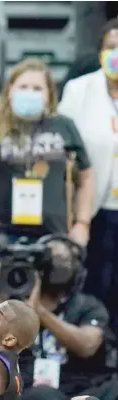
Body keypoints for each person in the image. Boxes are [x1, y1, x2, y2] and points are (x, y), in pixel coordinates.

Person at [0, 57, 94, 311]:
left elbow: (85, 175)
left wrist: (82, 223)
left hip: (52, 239)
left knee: (47, 318)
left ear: (49, 94)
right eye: (24, 87)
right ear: (10, 90)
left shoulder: (64, 126)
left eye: (37, 88)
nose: (30, 93)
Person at [0, 241, 118, 400]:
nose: (61, 266)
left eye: (65, 260)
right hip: (31, 391)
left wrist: (40, 313)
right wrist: (2, 287)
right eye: (56, 259)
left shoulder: (87, 305)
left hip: (80, 388)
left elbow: (87, 346)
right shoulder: (14, 305)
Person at [58, 17, 118, 337]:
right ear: (99, 52)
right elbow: (65, 152)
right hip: (91, 209)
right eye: (111, 47)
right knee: (93, 281)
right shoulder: (79, 89)